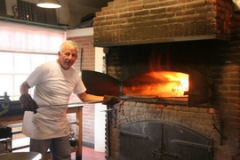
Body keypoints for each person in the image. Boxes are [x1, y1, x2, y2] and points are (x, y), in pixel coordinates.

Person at [19, 40, 119, 160]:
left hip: (60, 125)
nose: (70, 58)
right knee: (37, 158)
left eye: (74, 55)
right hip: (40, 124)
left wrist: (106, 99)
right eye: (67, 54)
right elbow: (24, 86)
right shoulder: (45, 69)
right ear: (59, 54)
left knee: (64, 157)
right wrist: (24, 95)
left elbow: (84, 97)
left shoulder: (75, 75)